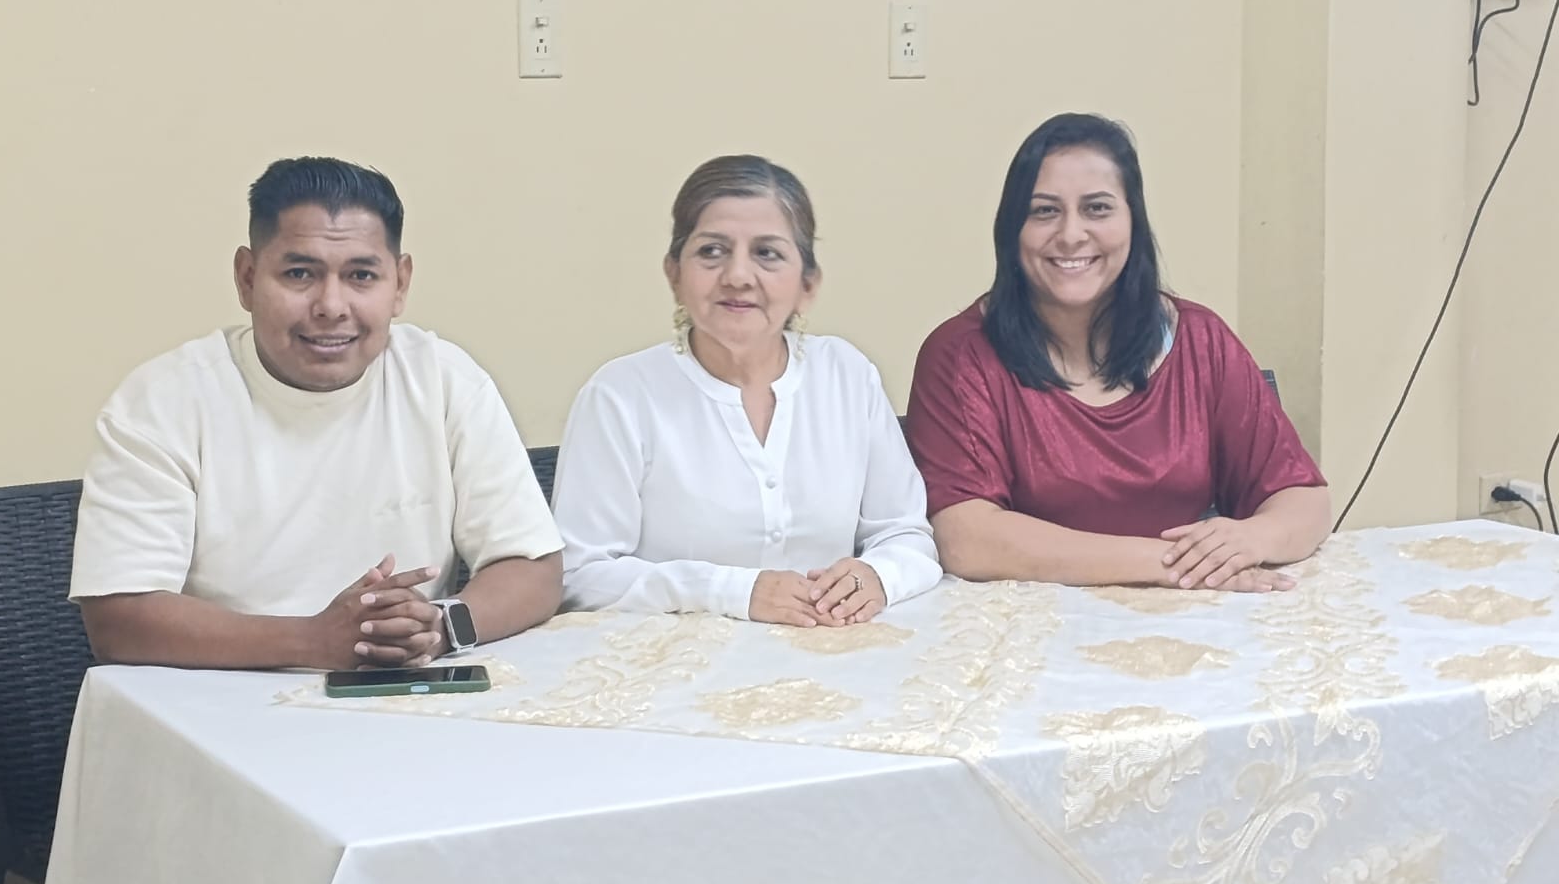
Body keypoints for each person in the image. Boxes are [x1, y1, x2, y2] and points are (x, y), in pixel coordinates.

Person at [71, 156, 562, 669]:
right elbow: (118, 620)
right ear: (247, 278)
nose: (331, 306)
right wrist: (313, 641)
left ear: (399, 284)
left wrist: (439, 627)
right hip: (221, 693)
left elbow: (534, 568)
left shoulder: (442, 379)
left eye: (361, 275)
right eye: (300, 274)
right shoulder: (163, 400)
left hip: (403, 692)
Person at [905, 113, 1330, 592]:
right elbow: (965, 537)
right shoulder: (960, 356)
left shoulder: (1200, 339)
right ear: (1011, 229)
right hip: (1031, 628)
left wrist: (1254, 537)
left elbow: (1304, 498)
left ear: (1133, 220)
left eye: (1097, 208)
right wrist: (1174, 566)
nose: (1071, 234)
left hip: (1194, 623)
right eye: (1044, 211)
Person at [552, 154, 941, 627]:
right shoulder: (621, 395)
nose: (737, 276)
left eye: (767, 253)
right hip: (673, 662)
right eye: (712, 251)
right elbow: (578, 575)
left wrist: (879, 575)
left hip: (834, 653)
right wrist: (732, 591)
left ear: (808, 284)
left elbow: (907, 535)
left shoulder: (847, 375)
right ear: (674, 274)